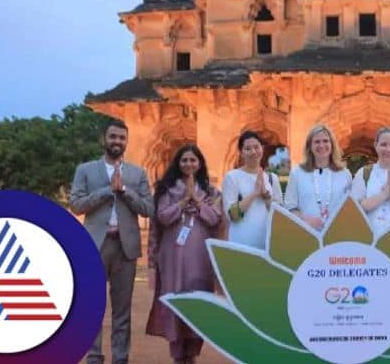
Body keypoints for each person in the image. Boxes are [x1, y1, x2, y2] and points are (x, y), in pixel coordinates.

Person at [70, 119, 154, 364]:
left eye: (122, 138)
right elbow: (76, 204)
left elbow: (148, 208)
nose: (117, 141)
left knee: (122, 310)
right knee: (93, 306)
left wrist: (125, 192)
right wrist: (107, 191)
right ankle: (94, 357)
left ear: (127, 142)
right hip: (95, 244)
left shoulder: (137, 173)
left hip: (125, 247)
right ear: (104, 139)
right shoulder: (85, 170)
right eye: (113, 137)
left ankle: (120, 358)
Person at [146, 144, 222, 364]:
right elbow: (163, 218)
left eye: (193, 160)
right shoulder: (165, 190)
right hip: (173, 258)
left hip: (200, 258)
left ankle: (192, 354)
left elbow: (214, 219)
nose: (189, 164)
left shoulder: (211, 191)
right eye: (184, 160)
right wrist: (182, 201)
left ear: (200, 164)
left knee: (197, 300)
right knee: (176, 300)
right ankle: (178, 356)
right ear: (178, 164)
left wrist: (196, 201)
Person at [222, 131, 283, 249]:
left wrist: (266, 197)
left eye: (256, 147)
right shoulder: (232, 177)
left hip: (267, 244)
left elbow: (280, 215)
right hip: (241, 244)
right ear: (241, 153)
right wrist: (254, 193)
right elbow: (232, 215)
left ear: (262, 148)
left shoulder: (272, 178)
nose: (253, 152)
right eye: (248, 149)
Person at [284, 124, 352, 230]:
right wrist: (305, 219)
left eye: (325, 141)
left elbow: (350, 208)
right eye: (317, 142)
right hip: (306, 233)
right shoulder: (297, 173)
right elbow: (290, 207)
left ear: (332, 145)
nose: (321, 145)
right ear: (310, 147)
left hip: (337, 234)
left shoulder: (344, 174)